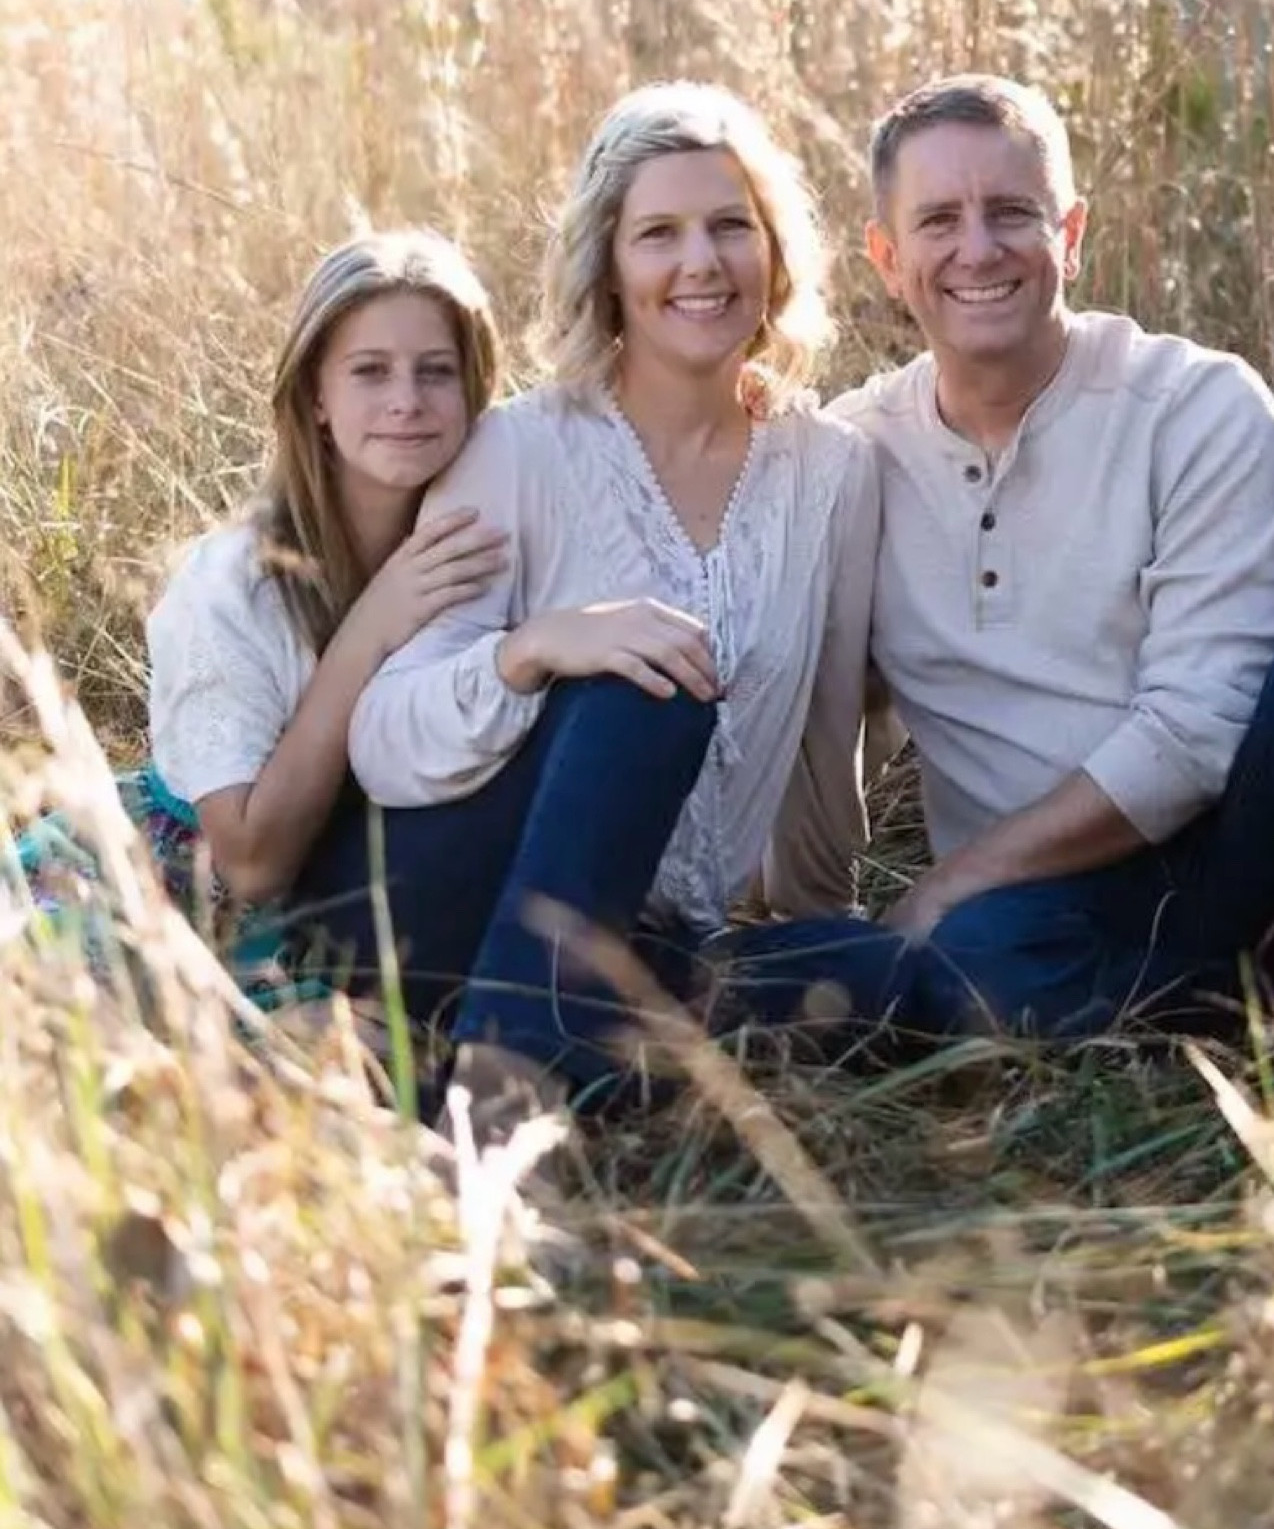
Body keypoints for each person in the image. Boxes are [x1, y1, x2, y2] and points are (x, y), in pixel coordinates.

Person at [754, 73, 1274, 1066]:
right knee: (966, 969)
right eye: (939, 220)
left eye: (1013, 212)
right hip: (1041, 916)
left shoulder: (1192, 405)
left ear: (1071, 232)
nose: (977, 249)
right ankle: (1209, 1021)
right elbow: (816, 711)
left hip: (1239, 865)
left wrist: (951, 879)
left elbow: (1197, 731)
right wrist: (809, 907)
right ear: (886, 257)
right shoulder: (852, 455)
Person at [327, 81, 878, 1112]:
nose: (700, 262)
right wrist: (535, 647)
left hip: (658, 936)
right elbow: (383, 738)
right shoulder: (517, 449)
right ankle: (498, 1099)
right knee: (644, 685)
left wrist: (818, 916)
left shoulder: (832, 468)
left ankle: (529, 1054)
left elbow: (824, 733)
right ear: (608, 267)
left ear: (773, 253)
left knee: (884, 974)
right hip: (467, 894)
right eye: (658, 234)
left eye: (730, 226)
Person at [144, 230, 506, 993]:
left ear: (475, 389)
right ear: (315, 395)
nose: (406, 401)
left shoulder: (486, 550)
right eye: (370, 371)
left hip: (386, 896)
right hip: (178, 907)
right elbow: (250, 865)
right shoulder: (232, 586)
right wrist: (369, 629)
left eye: (436, 371)